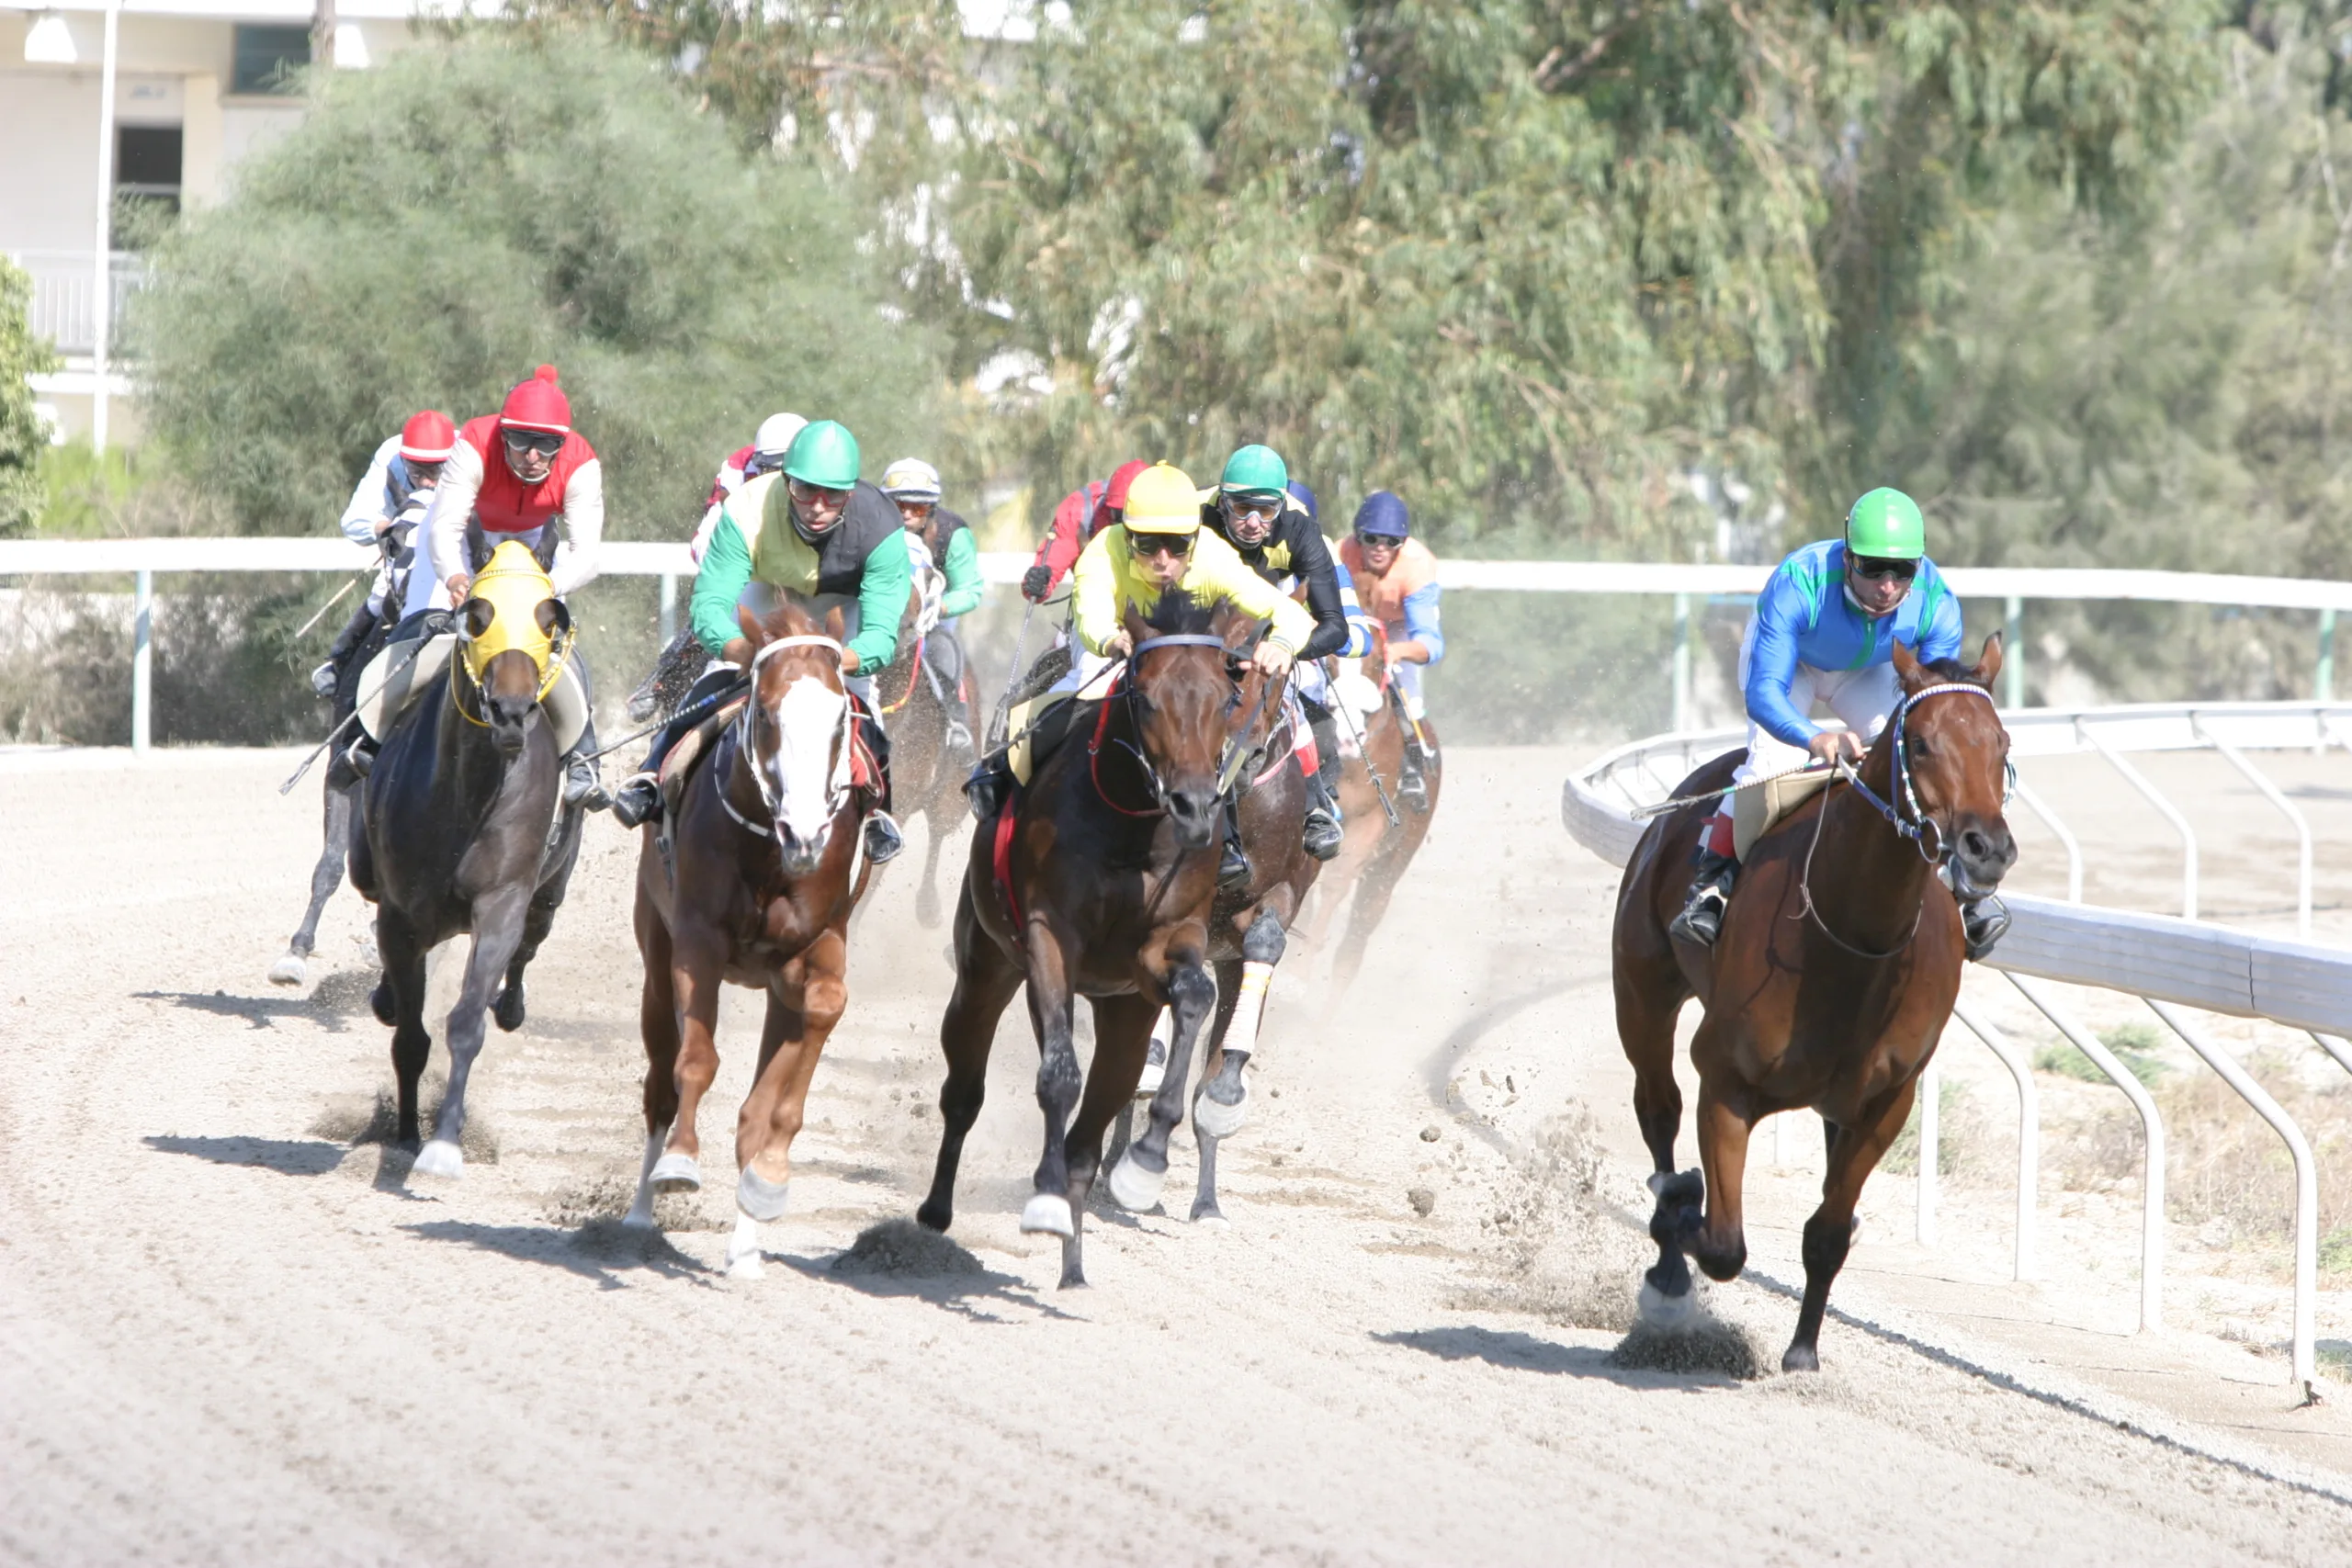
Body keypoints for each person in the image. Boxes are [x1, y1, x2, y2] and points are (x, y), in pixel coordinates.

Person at [1668, 487, 2009, 958]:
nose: (1888, 585)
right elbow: (1764, 694)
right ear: (1848, 558)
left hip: (1869, 671)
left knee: (1921, 764)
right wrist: (1814, 736)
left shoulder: (1936, 602)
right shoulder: (1799, 581)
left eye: (1902, 571)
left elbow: (1939, 713)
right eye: (1872, 569)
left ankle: (1960, 888)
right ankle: (1713, 883)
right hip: (1793, 669)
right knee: (1770, 763)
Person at [964, 461, 1317, 858]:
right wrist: (1109, 639)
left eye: (1177, 545)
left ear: (1195, 539)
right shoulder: (1102, 550)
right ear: (1127, 535)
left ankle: (1234, 828)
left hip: (1181, 644)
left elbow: (1287, 613)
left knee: (1216, 704)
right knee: (1084, 685)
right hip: (1116, 637)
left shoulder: (1215, 556)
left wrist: (1283, 643)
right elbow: (1092, 610)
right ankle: (1004, 773)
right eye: (1147, 544)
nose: (1163, 559)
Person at [610, 420, 912, 865]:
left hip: (840, 608)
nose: (817, 506)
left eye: (832, 494)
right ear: (785, 480)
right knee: (716, 679)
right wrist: (742, 652)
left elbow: (881, 636)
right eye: (805, 490)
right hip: (767, 591)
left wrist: (834, 663)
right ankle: (653, 775)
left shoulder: (884, 529)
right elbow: (710, 607)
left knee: (860, 699)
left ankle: (877, 813)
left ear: (850, 493)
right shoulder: (746, 508)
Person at [370, 366, 610, 809]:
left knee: (549, 639)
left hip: (536, 541)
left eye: (547, 445)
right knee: (427, 622)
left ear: (563, 441)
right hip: (466, 536)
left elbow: (587, 556)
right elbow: (444, 529)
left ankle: (583, 758)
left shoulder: (581, 464)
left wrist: (546, 589)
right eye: (520, 442)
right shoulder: (476, 445)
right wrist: (456, 577)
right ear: (503, 433)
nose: (533, 457)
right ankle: (371, 738)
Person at [1197, 445, 1355, 861]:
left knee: (1285, 697)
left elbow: (1335, 627)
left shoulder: (1302, 531)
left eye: (1265, 512)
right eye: (1242, 508)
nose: (1252, 523)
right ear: (1221, 502)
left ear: (1281, 506)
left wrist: (1285, 650)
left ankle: (1315, 805)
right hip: (1196, 614)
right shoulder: (1193, 519)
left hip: (1264, 615)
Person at [311, 410, 456, 699]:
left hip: (455, 546)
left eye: (436, 471)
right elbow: (352, 521)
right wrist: (390, 528)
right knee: (382, 592)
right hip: (405, 547)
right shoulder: (391, 454)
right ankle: (340, 663)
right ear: (405, 461)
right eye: (417, 472)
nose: (426, 482)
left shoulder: (467, 456)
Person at [1338, 491, 1442, 807]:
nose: (1380, 548)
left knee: (1406, 692)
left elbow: (1431, 644)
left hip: (1399, 626)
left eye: (1391, 541)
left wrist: (1394, 653)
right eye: (1371, 539)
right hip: (1356, 619)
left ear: (1403, 543)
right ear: (1358, 538)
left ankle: (1414, 766)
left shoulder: (1418, 567)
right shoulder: (1340, 554)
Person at [879, 457, 983, 751]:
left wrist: (936, 608)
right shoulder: (867, 528)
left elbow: (970, 589)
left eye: (919, 507)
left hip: (933, 615)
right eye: (900, 506)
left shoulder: (953, 534)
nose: (908, 515)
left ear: (932, 509)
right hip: (880, 612)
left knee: (943, 654)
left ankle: (958, 726)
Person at [1023, 459, 1151, 603]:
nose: (1127, 525)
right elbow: (1053, 562)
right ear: (1108, 505)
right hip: (1097, 602)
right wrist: (1038, 584)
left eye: (1135, 515)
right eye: (1120, 515)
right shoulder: (1079, 511)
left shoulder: (1175, 510)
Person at [691, 412, 806, 565]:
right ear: (758, 463)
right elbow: (703, 544)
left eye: (786, 471)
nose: (778, 479)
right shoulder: (738, 470)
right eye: (769, 469)